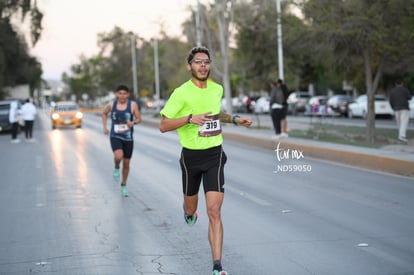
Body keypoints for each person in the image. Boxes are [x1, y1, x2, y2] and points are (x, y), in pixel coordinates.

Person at [159, 46, 252, 275]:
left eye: (206, 62)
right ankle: (189, 213)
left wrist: (234, 119)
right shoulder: (181, 93)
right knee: (192, 208)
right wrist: (190, 118)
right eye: (198, 62)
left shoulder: (217, 88)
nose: (202, 65)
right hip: (191, 157)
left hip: (214, 154)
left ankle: (217, 266)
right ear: (189, 66)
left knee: (214, 211)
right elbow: (164, 125)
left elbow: (215, 114)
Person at [102, 84, 141, 196]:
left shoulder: (132, 105)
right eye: (120, 93)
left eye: (124, 93)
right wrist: (105, 127)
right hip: (115, 135)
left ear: (128, 94)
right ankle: (116, 167)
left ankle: (123, 184)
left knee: (127, 163)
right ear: (116, 94)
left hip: (128, 138)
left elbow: (139, 119)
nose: (122, 96)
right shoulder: (111, 105)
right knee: (118, 156)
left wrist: (133, 123)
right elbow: (104, 114)